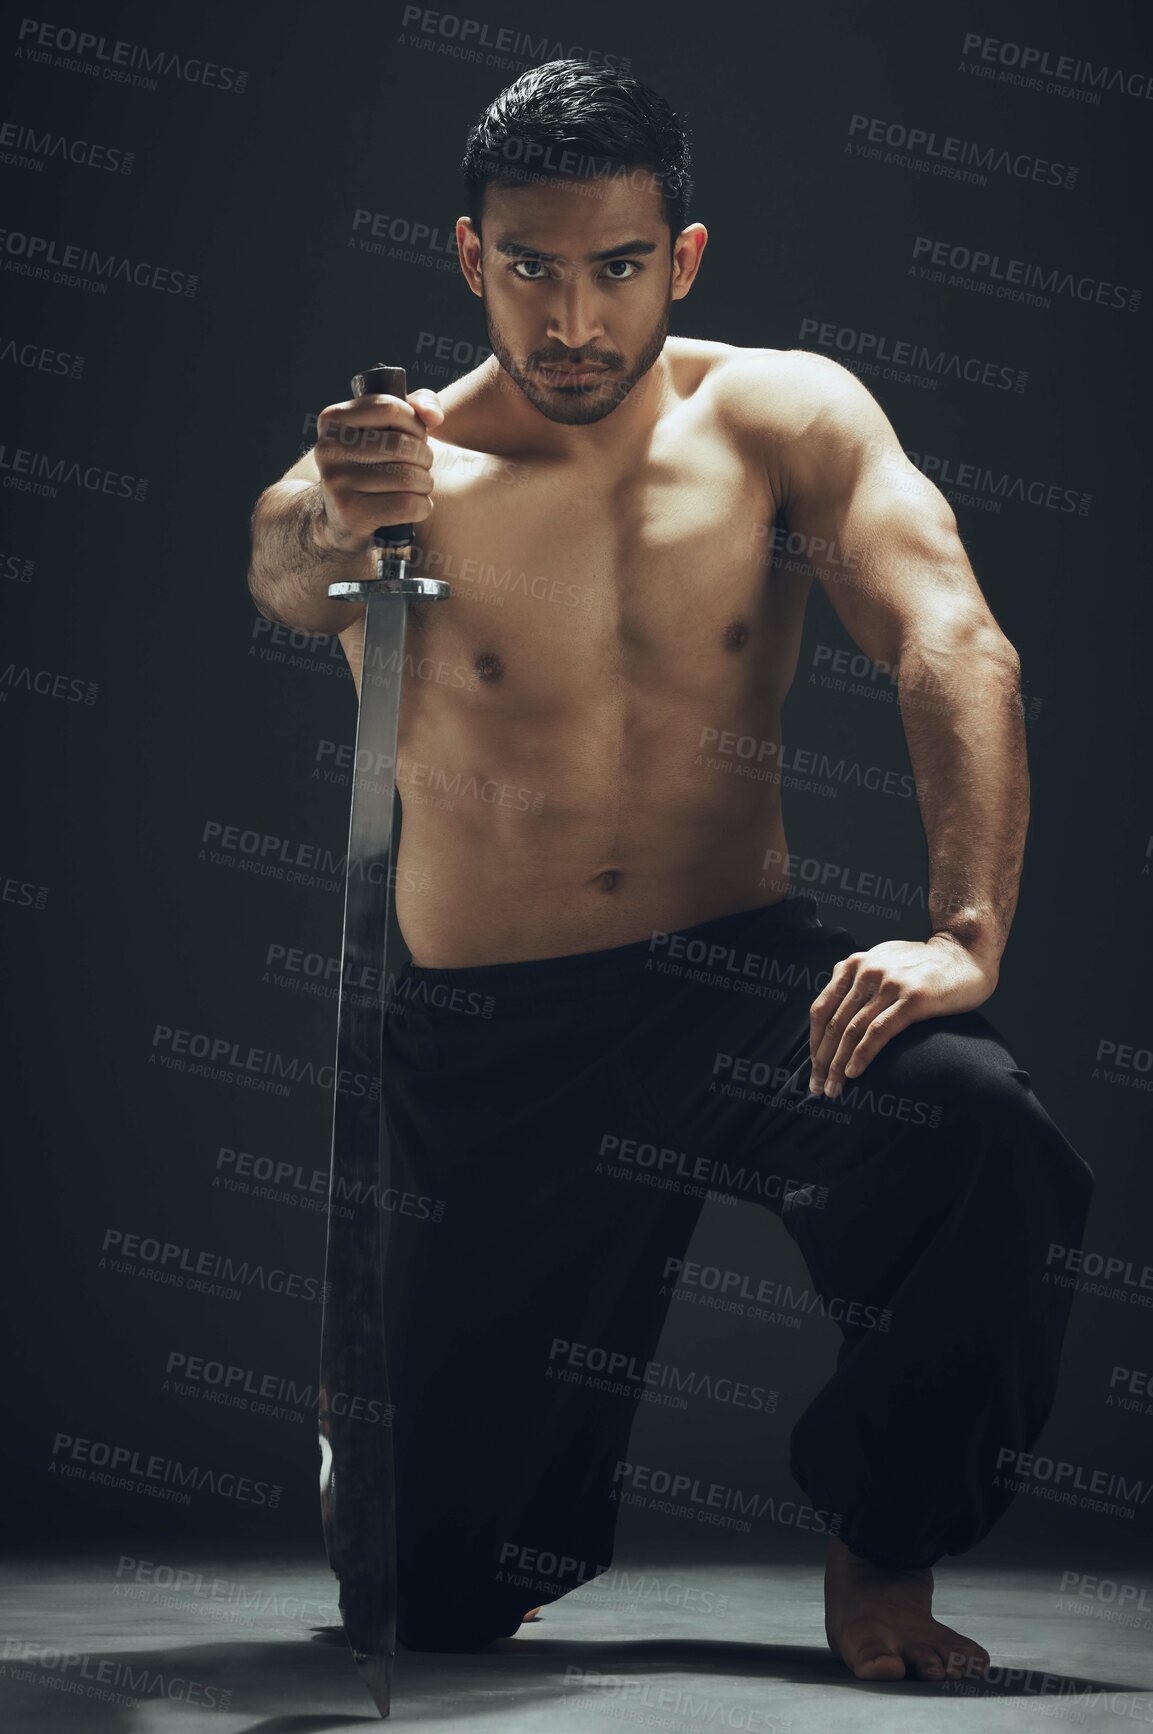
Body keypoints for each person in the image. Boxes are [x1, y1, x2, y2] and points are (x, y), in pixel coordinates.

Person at [247, 59, 1093, 1685]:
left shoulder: (783, 416)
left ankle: (882, 1548)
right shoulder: (402, 467)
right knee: (432, 1603)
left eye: (615, 268)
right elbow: (287, 563)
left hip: (732, 979)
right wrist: (329, 514)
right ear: (469, 256)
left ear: (681, 258)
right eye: (531, 268)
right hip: (490, 1036)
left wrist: (963, 932)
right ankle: (393, 1449)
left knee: (985, 1134)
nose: (572, 319)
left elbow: (948, 636)